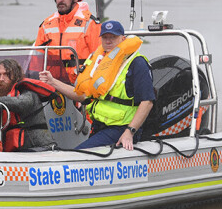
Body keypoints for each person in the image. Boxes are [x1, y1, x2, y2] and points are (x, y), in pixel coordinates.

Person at [40, 20, 155, 151]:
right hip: (100, 127)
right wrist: (52, 81)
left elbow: (147, 102)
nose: (108, 41)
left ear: (123, 38)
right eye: (105, 37)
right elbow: (83, 96)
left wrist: (129, 132)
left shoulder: (137, 63)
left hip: (121, 128)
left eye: (113, 37)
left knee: (79, 154)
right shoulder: (100, 63)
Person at [0, 59, 56, 151]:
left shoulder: (27, 91)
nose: (1, 79)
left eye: (6, 74)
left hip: (39, 146)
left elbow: (21, 103)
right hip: (15, 148)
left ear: (16, 75)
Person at [35, 0, 101, 84]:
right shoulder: (46, 25)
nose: (60, 0)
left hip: (81, 86)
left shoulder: (90, 23)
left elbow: (99, 59)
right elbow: (36, 61)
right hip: (52, 86)